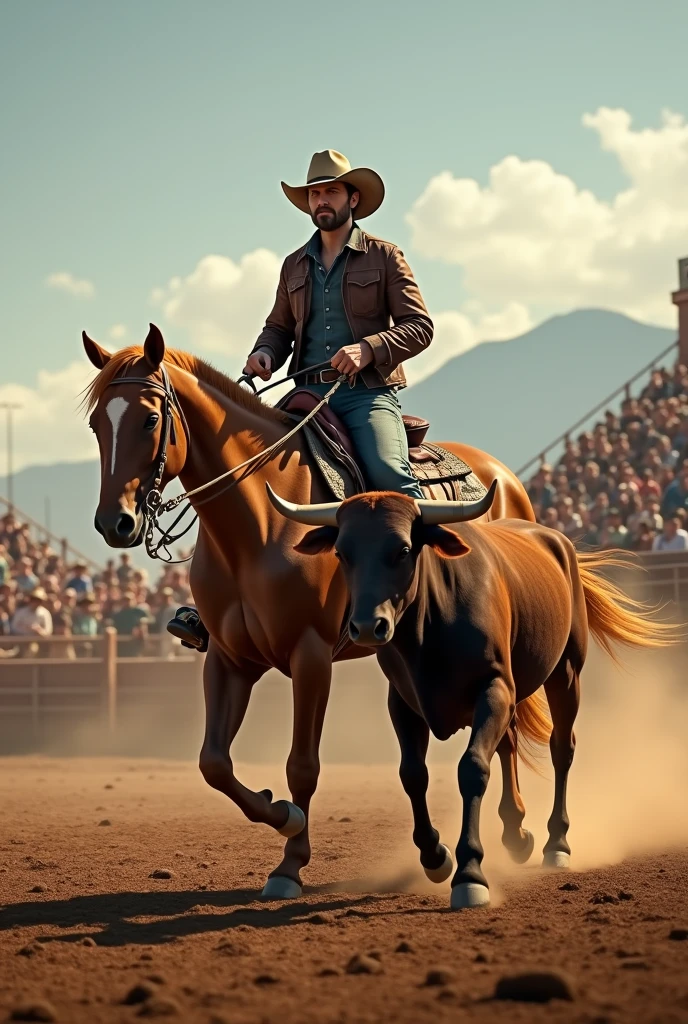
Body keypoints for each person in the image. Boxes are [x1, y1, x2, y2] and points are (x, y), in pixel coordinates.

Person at [168, 149, 434, 650]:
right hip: (305, 396)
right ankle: (216, 606)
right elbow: (278, 327)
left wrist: (369, 348)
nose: (321, 200)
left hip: (367, 395)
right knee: (238, 475)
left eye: (331, 191)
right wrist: (263, 353)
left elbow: (421, 327)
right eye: (314, 193)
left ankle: (429, 595)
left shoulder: (384, 255)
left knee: (389, 476)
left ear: (353, 198)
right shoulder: (294, 265)